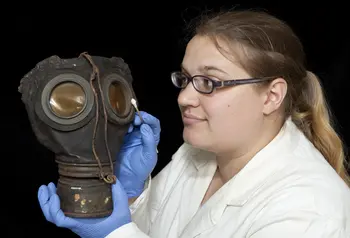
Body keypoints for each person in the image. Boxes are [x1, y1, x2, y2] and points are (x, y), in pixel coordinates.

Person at [37, 9, 350, 237]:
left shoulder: (310, 209)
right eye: (185, 79)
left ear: (271, 96)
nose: (184, 97)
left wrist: (114, 234)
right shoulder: (199, 154)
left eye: (210, 82)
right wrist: (132, 195)